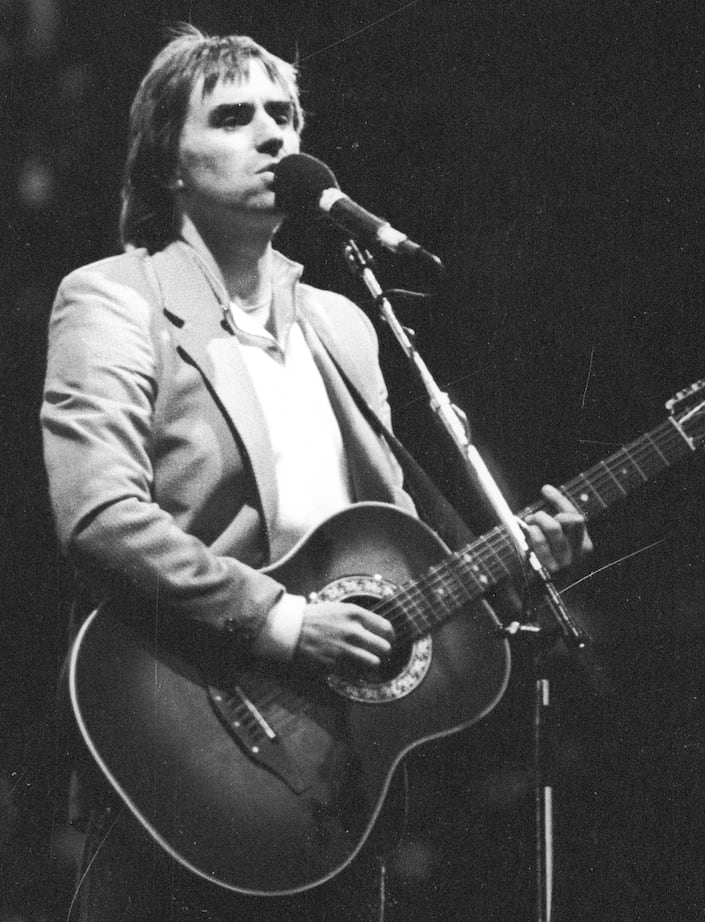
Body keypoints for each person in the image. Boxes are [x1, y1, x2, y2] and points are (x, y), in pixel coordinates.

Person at [40, 25, 592, 922]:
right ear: (169, 163)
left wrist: (514, 570)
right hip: (179, 759)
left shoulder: (342, 324)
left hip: (330, 788)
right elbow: (99, 516)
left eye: (283, 114)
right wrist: (288, 625)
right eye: (232, 116)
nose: (272, 135)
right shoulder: (115, 298)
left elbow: (401, 556)